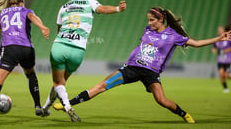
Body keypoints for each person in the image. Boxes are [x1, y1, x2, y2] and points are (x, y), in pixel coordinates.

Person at [52, 7, 231, 124]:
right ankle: (67, 104)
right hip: (131, 68)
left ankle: (184, 114)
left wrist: (219, 38)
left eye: (152, 20)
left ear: (161, 20)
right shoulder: (148, 31)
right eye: (148, 20)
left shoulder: (173, 36)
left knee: (161, 100)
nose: (149, 23)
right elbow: (141, 47)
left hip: (151, 73)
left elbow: (197, 43)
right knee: (102, 85)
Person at [42, 0, 126, 122]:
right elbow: (104, 9)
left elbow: (59, 29)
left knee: (58, 83)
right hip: (78, 50)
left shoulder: (64, 7)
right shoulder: (91, 3)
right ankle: (46, 108)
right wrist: (118, 8)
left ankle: (67, 106)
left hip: (60, 46)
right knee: (61, 81)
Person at [0, 0, 50, 122]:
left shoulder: (1, 14)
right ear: (21, 3)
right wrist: (42, 27)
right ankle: (37, 106)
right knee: (31, 74)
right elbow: (33, 17)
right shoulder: (25, 11)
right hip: (27, 49)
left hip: (9, 49)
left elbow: (3, 33)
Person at [212, 25, 231, 93]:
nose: (219, 31)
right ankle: (225, 88)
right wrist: (214, 50)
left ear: (223, 31)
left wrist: (227, 50)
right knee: (221, 74)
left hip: (228, 60)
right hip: (220, 60)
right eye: (218, 30)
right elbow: (214, 46)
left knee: (226, 75)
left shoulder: (228, 38)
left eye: (220, 30)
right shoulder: (216, 39)